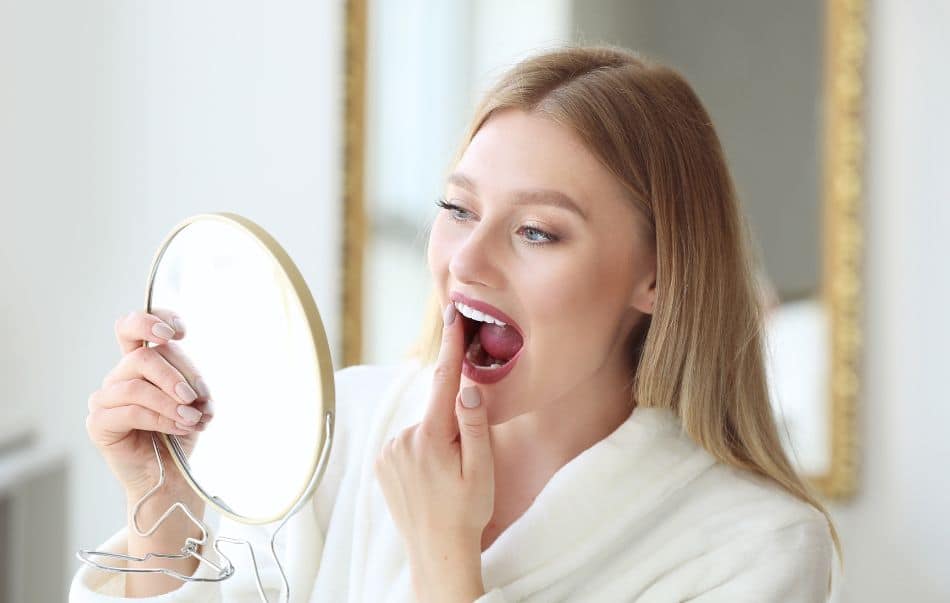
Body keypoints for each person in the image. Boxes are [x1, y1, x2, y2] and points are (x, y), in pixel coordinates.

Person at [71, 44, 839, 602]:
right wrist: (164, 505)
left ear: (659, 275)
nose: (465, 260)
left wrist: (445, 562)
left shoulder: (755, 549)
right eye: (457, 209)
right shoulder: (347, 430)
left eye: (537, 231)